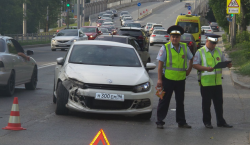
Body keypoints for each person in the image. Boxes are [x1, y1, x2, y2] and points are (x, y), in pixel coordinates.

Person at [156, 25, 194, 129]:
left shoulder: (185, 47)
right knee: (164, 100)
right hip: (168, 79)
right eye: (173, 36)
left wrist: (189, 70)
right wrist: (159, 79)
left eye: (177, 36)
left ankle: (181, 122)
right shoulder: (165, 48)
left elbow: (191, 59)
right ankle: (160, 121)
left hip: (181, 80)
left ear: (180, 37)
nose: (174, 38)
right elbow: (160, 65)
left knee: (180, 102)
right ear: (170, 37)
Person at [193, 33, 233, 129]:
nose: (213, 45)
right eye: (212, 43)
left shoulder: (218, 51)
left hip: (217, 83)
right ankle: (207, 122)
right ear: (207, 41)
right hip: (206, 83)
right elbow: (195, 64)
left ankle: (221, 122)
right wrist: (206, 68)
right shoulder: (200, 52)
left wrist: (228, 64)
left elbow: (224, 60)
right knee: (206, 105)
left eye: (215, 43)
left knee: (219, 104)